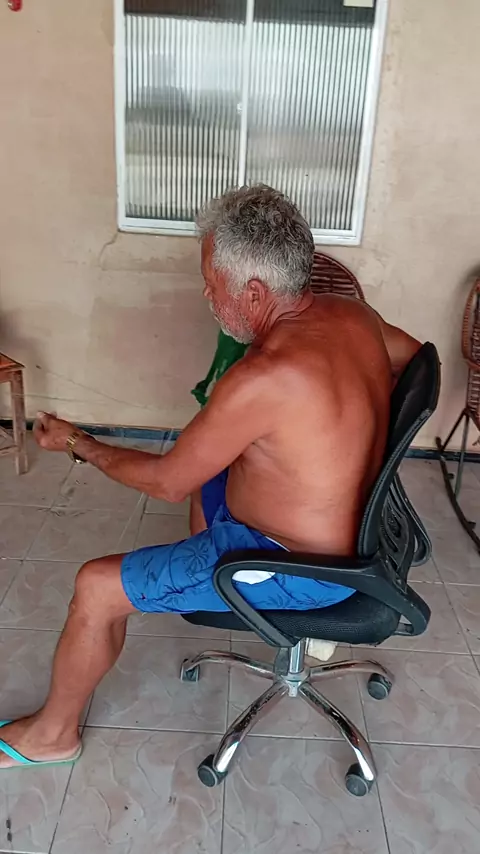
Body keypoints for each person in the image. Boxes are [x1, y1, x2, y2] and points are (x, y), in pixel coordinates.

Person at [0, 185, 421, 768]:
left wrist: (78, 443)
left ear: (255, 292)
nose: (206, 295)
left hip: (295, 566)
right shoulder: (353, 315)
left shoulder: (264, 377)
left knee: (96, 587)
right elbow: (417, 361)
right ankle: (199, 573)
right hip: (347, 535)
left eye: (210, 282)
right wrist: (342, 428)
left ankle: (53, 736)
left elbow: (166, 481)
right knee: (210, 469)